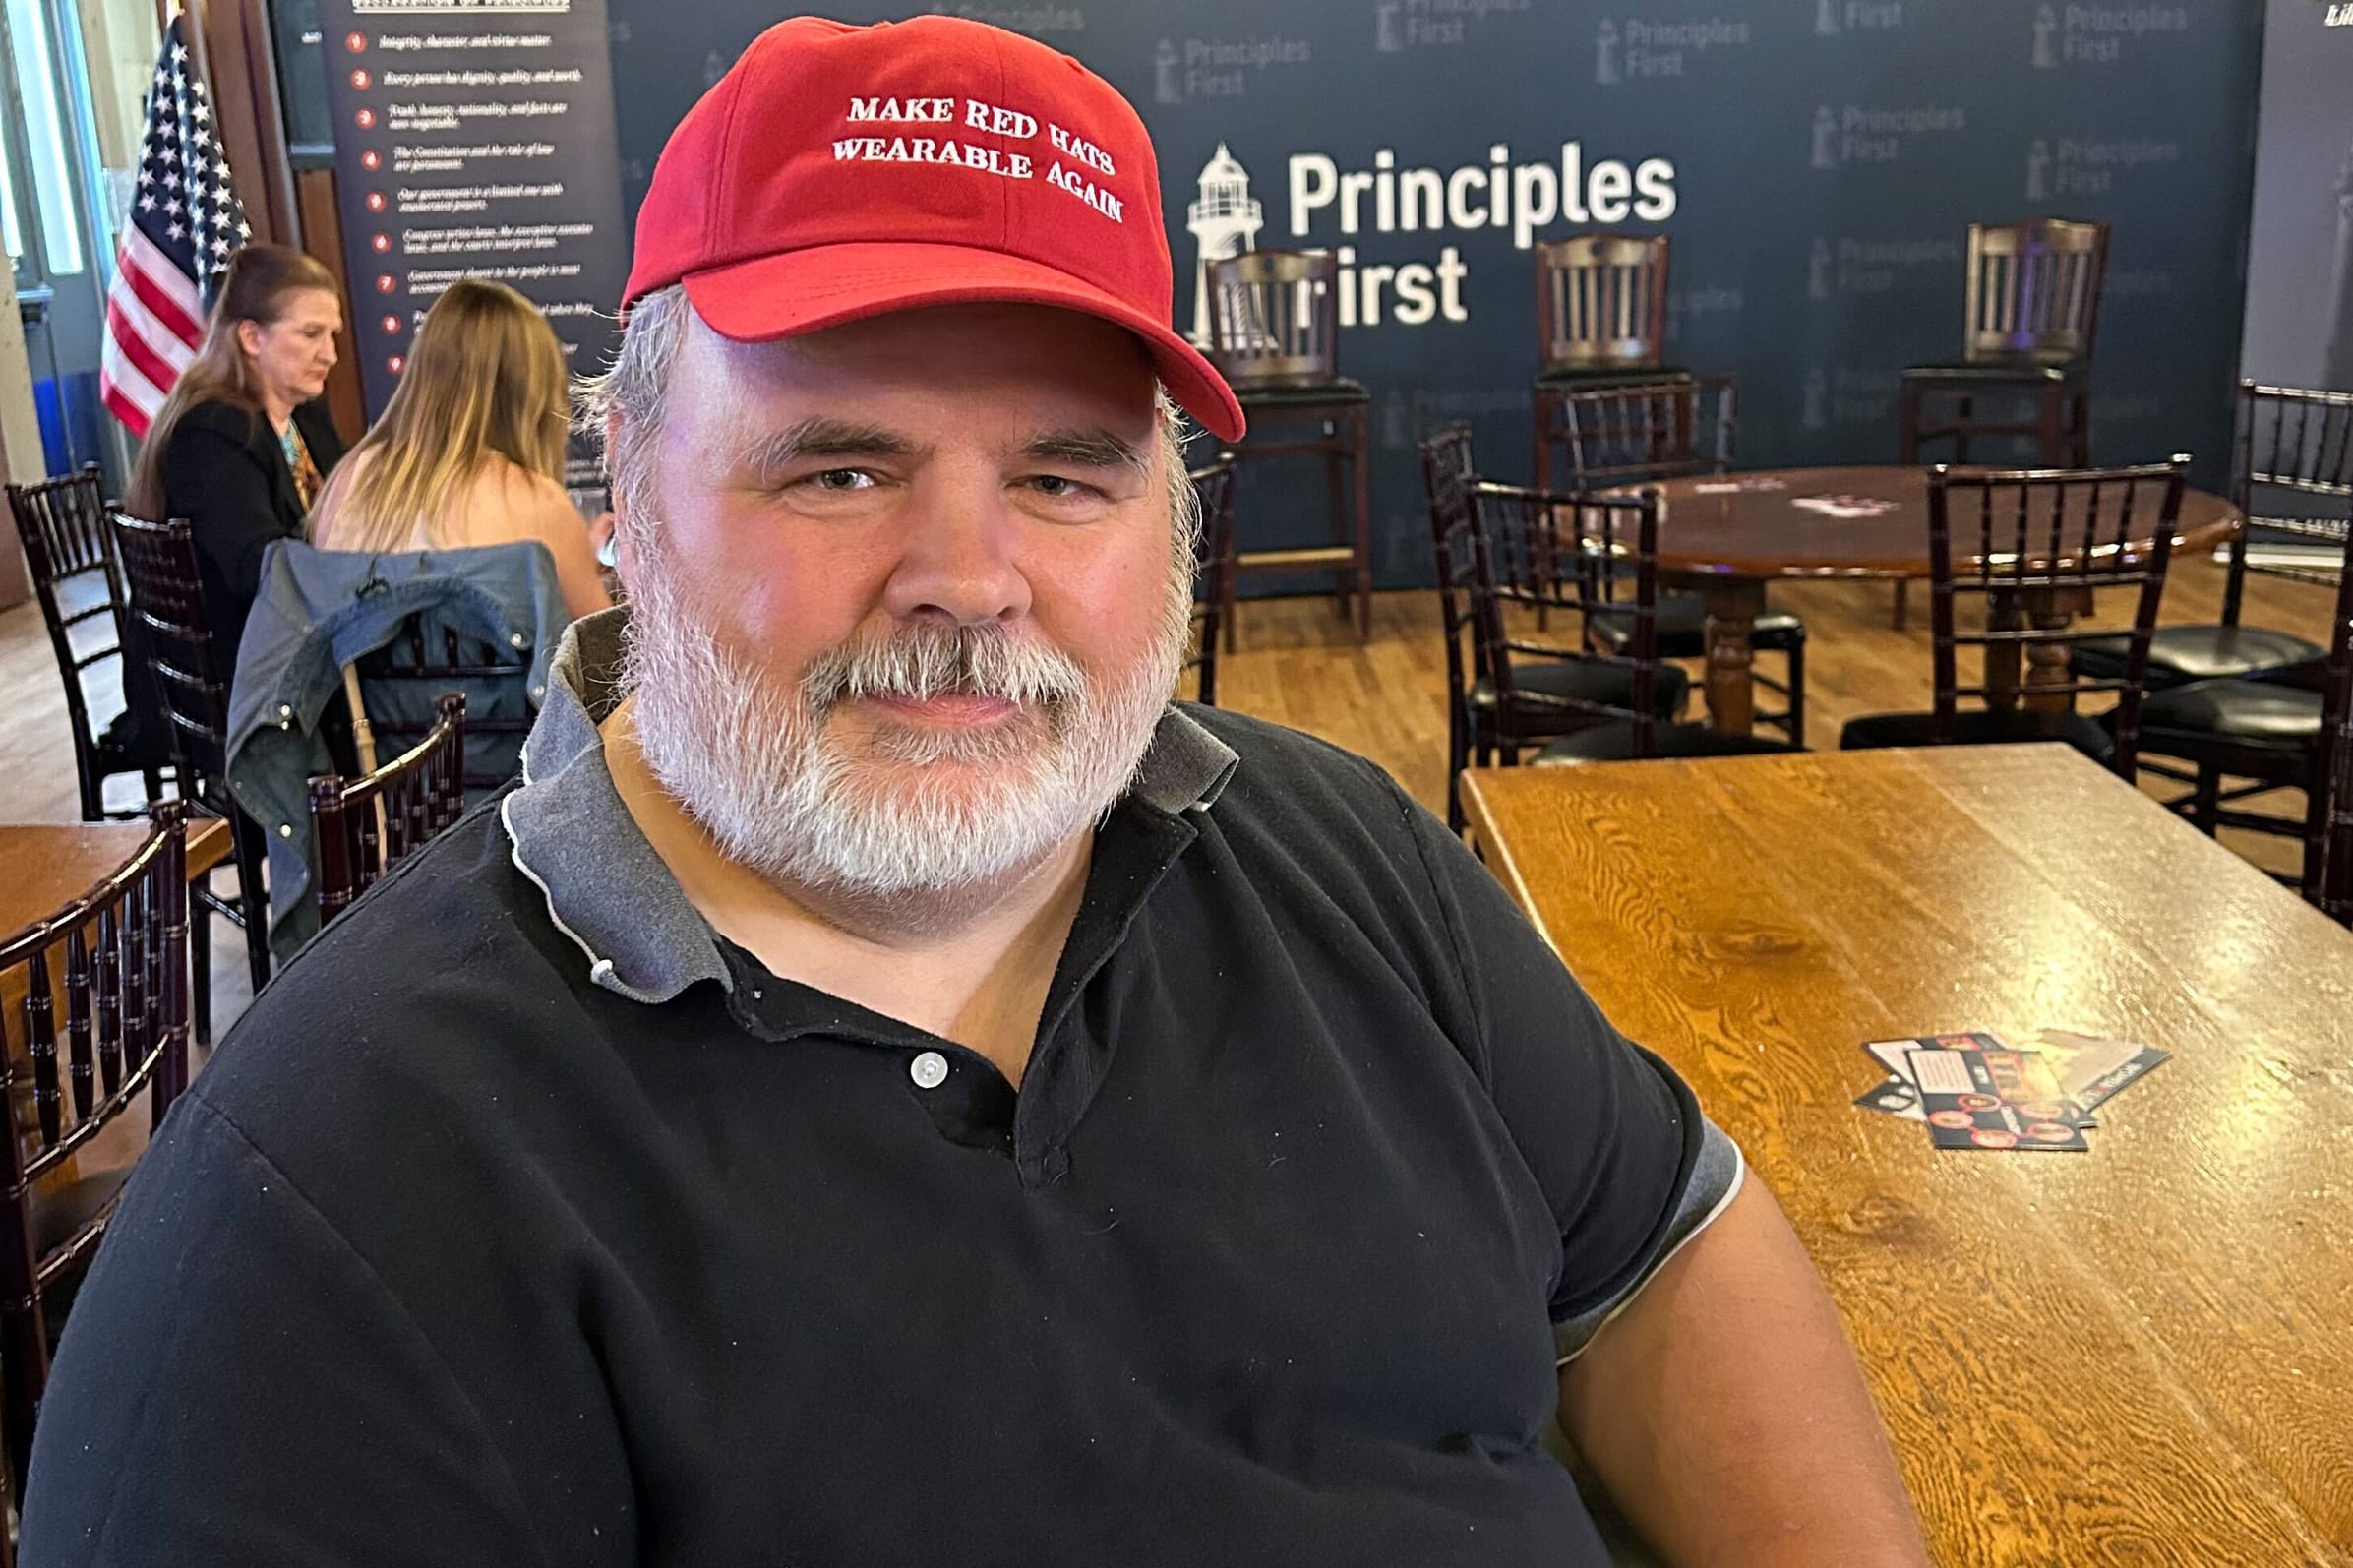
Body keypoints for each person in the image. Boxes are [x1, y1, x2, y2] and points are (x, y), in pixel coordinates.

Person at [22, 18, 1933, 1567]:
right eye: (838, 467)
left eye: (1065, 471)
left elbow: (1663, 1244)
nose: (966, 573)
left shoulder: (1339, 853)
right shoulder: (328, 1204)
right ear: (629, 483)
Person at [308, 276, 612, 622]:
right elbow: (599, 657)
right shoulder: (536, 503)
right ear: (530, 395)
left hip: (357, 678)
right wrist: (589, 563)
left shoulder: (346, 482)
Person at [123, 243, 348, 661]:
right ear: (250, 336)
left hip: (297, 639)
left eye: (333, 335)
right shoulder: (209, 432)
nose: (330, 355)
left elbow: (354, 503)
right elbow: (257, 568)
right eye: (311, 334)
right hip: (239, 670)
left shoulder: (307, 414)